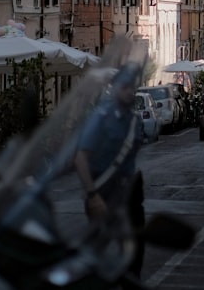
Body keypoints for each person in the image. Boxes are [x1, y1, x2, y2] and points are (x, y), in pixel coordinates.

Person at [75, 60, 146, 277]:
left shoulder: (134, 121)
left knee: (134, 251)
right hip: (102, 193)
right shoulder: (101, 118)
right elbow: (81, 158)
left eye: (133, 87)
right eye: (125, 87)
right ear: (115, 88)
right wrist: (92, 195)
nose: (130, 92)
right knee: (96, 250)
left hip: (129, 195)